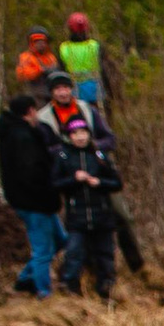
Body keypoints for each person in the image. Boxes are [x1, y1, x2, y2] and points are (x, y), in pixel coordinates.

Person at [33, 73, 141, 272]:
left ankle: (137, 265)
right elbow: (43, 149)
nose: (63, 92)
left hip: (99, 174)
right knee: (79, 228)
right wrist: (68, 152)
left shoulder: (87, 110)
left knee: (122, 217)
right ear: (51, 92)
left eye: (66, 87)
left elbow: (110, 139)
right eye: (58, 89)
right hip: (71, 180)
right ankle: (88, 271)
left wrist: (90, 146)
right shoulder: (44, 118)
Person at [0, 92, 63, 296]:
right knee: (42, 249)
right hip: (34, 201)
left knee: (60, 240)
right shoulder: (22, 137)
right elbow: (31, 172)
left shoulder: (13, 133)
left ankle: (25, 279)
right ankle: (44, 292)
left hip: (36, 200)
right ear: (30, 111)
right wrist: (48, 188)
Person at [53, 116, 121, 298]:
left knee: (105, 254)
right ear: (70, 136)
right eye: (75, 133)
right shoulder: (63, 157)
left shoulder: (99, 156)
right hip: (77, 216)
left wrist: (99, 182)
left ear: (89, 134)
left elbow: (117, 183)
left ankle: (107, 289)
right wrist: (73, 179)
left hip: (102, 214)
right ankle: (70, 289)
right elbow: (55, 184)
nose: (80, 137)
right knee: (73, 252)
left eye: (83, 132)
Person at [59, 13, 102, 104]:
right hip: (94, 89)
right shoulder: (94, 45)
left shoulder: (64, 48)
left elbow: (61, 70)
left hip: (74, 90)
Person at [14, 28, 61, 99]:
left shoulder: (51, 57)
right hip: (35, 95)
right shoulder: (26, 57)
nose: (41, 44)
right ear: (31, 43)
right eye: (38, 42)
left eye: (43, 42)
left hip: (52, 94)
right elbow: (22, 75)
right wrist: (40, 70)